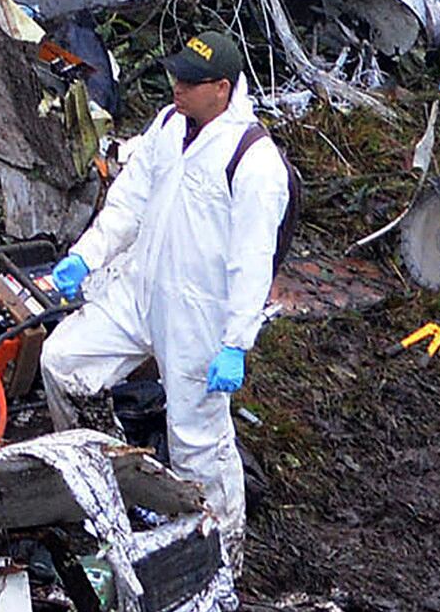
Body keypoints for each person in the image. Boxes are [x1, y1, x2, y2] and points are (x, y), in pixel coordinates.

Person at [41, 33, 288, 554]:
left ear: (221, 89)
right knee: (64, 361)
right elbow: (129, 202)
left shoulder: (254, 162)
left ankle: (222, 548)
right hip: (140, 288)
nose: (176, 87)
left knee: (197, 444)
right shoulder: (169, 125)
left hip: (198, 317)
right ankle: (104, 481)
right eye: (175, 76)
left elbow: (252, 260)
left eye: (190, 82)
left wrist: (235, 342)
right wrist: (89, 255)